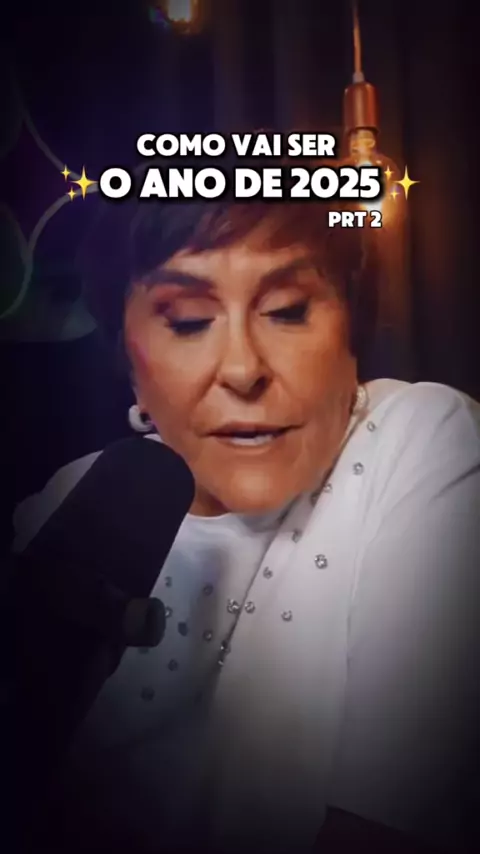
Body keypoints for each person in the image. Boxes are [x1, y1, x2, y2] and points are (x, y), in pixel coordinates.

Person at [13, 187, 480, 854]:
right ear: (127, 358)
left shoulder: (420, 435)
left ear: (353, 328)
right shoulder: (69, 498)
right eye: (188, 321)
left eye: (287, 311)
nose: (242, 369)